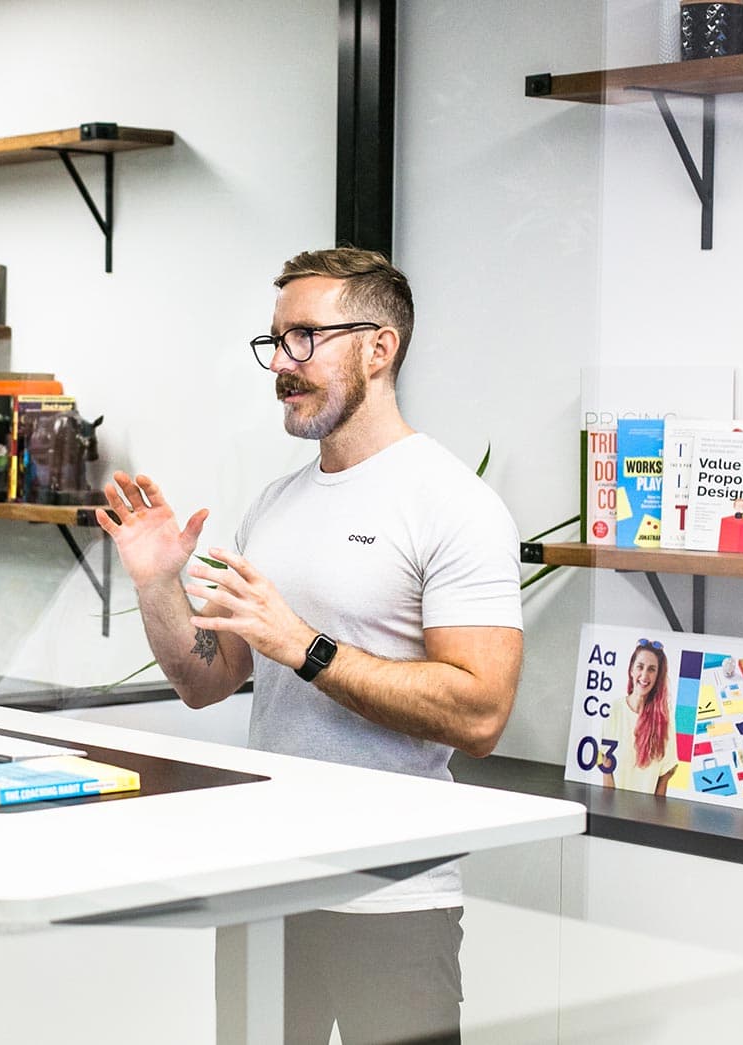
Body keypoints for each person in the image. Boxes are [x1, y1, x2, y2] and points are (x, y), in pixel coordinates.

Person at [95, 248, 522, 1045]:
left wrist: (305, 646)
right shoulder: (277, 505)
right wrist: (157, 582)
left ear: (378, 346)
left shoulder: (455, 505)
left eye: (305, 338)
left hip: (393, 899)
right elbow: (206, 679)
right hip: (268, 886)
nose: (282, 366)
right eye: (275, 342)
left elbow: (481, 711)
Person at [603, 639, 677, 796]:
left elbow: (664, 777)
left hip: (646, 814)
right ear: (631, 670)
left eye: (651, 669)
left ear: (658, 677)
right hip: (614, 810)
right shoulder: (614, 710)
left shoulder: (665, 719)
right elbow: (605, 765)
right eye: (640, 667)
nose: (644, 675)